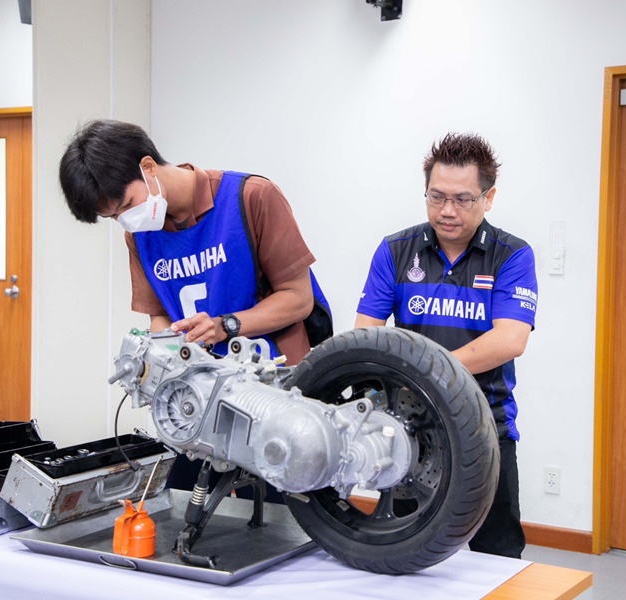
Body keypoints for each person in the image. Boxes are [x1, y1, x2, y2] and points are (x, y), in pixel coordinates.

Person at [59, 118, 329, 502]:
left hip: (275, 397)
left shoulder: (251, 197)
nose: (125, 220)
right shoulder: (139, 236)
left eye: (127, 206)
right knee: (184, 511)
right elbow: (159, 318)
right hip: (199, 404)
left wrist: (226, 326)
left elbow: (298, 298)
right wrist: (161, 358)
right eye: (113, 218)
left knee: (279, 518)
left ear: (148, 167)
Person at [354, 132, 537, 559]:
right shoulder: (395, 250)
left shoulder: (511, 255)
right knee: (403, 550)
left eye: (462, 199)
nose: (447, 211)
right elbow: (365, 336)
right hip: (408, 430)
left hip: (485, 427)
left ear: (488, 198)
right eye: (436, 197)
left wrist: (426, 371)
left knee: (497, 555)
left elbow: (510, 339)